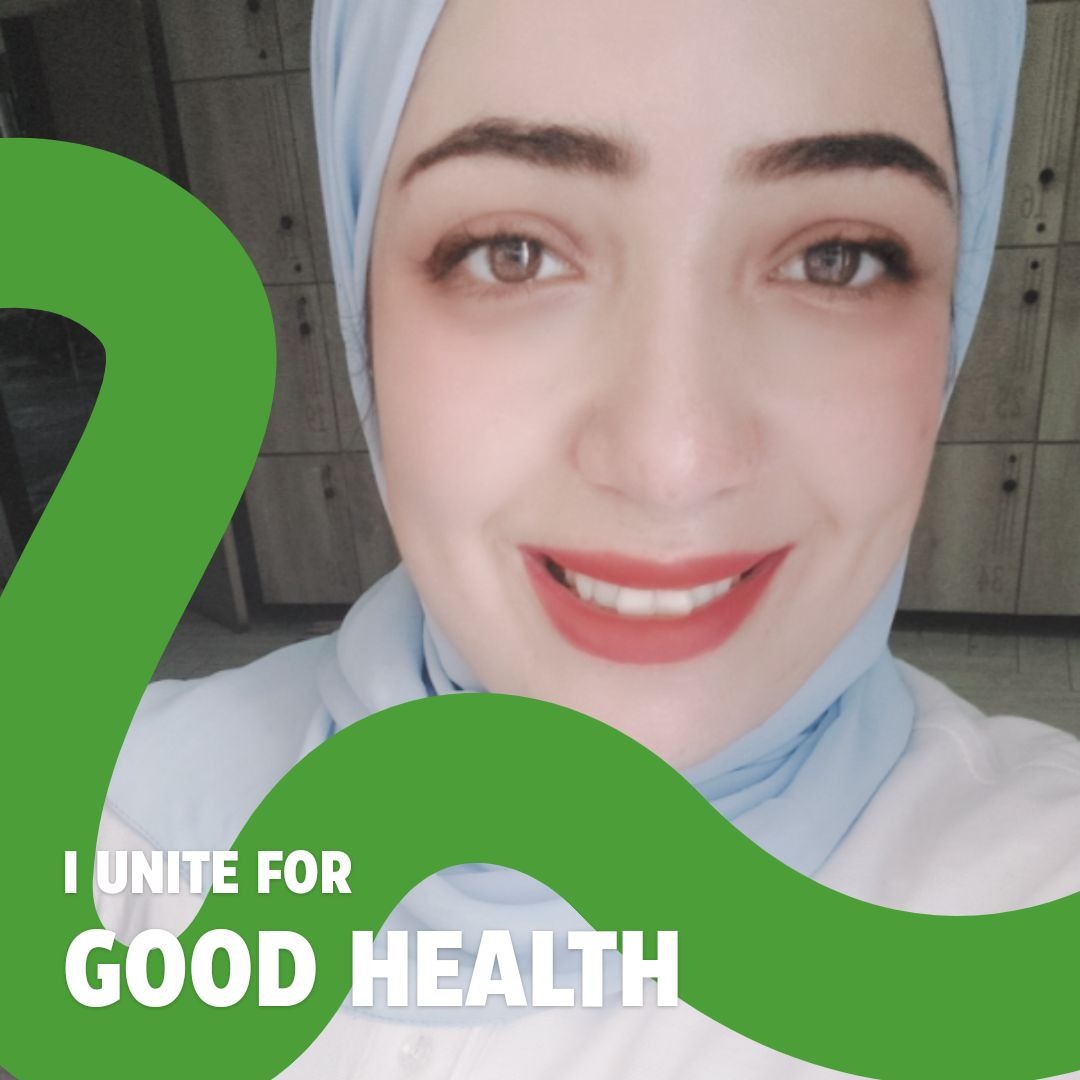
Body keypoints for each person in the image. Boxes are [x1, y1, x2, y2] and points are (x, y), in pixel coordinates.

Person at [96, 1, 1080, 1076]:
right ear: (360, 298)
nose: (673, 460)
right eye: (511, 254)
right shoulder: (106, 824)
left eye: (836, 259)